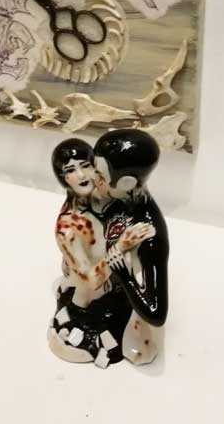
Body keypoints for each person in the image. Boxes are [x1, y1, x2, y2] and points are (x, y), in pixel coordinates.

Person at [48, 137, 156, 367]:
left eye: (85, 165)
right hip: (91, 293)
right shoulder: (68, 228)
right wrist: (121, 246)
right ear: (63, 178)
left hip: (114, 279)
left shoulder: (102, 196)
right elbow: (89, 281)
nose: (82, 175)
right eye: (70, 170)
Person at [91, 130, 169, 365]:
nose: (94, 180)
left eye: (100, 175)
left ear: (126, 182)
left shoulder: (150, 237)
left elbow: (156, 313)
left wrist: (124, 275)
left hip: (128, 315)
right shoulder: (117, 201)